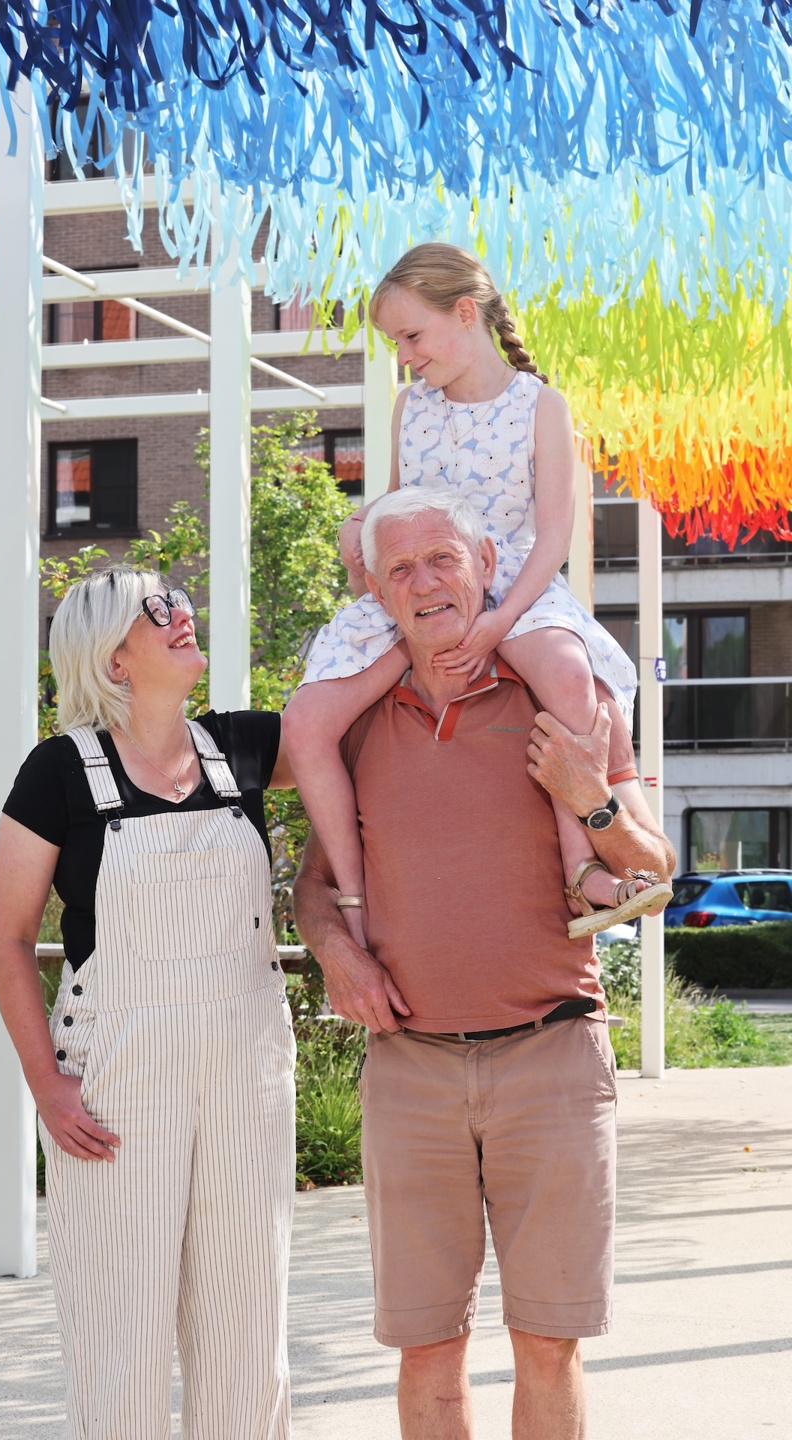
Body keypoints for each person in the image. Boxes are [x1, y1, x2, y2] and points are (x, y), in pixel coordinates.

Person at [292, 486, 676, 1440]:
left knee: (548, 1342)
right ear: (375, 590)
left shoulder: (558, 694)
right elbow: (310, 885)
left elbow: (656, 866)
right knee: (428, 1348)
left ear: (487, 561)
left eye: (443, 559)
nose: (426, 584)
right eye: (402, 568)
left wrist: (590, 801)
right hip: (411, 1068)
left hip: (551, 1057)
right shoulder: (354, 721)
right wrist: (335, 947)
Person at [283, 241, 669, 943]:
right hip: (425, 582)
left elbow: (553, 535)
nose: (402, 354)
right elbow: (398, 507)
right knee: (306, 721)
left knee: (567, 672)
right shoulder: (412, 405)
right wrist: (358, 533)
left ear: (466, 314)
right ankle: (356, 898)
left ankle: (583, 873)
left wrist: (501, 622)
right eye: (395, 341)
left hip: (512, 579)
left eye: (411, 335)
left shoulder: (540, 406)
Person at [0, 567, 296, 1440]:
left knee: (248, 1327)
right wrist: (47, 1085)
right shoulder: (57, 775)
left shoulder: (243, 748)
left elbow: (359, 720)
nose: (182, 614)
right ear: (113, 659)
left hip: (247, 1073)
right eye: (156, 611)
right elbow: (8, 939)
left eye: (180, 599)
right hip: (116, 1084)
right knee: (119, 1338)